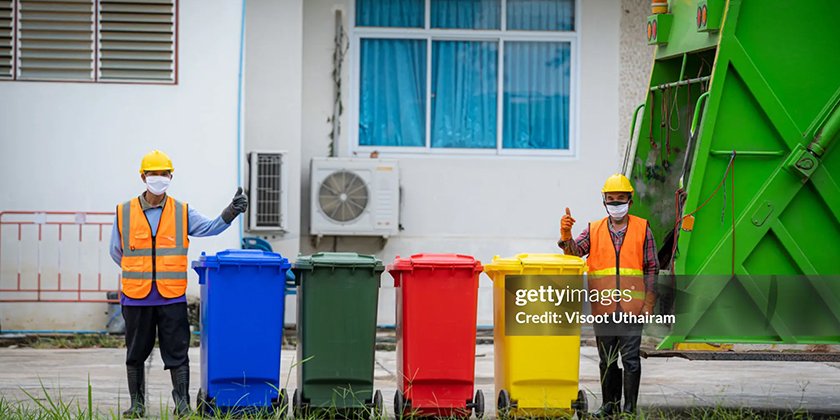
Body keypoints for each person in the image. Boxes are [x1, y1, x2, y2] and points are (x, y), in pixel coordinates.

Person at [109, 150, 248, 418]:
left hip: (171, 297)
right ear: (143, 176)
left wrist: (230, 212)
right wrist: (141, 271)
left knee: (177, 352)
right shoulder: (123, 211)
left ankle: (182, 404)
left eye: (163, 174)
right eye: (153, 173)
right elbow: (116, 251)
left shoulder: (182, 211)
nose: (158, 178)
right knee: (136, 353)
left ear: (170, 176)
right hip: (137, 297)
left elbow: (209, 227)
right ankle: (137, 405)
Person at [558, 174, 658, 416]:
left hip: (632, 308)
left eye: (620, 199)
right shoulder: (594, 229)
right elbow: (574, 254)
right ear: (604, 201)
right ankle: (609, 407)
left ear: (630, 201)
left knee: (631, 359)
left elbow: (652, 267)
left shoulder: (643, 228)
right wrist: (565, 235)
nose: (616, 204)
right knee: (607, 360)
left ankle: (629, 409)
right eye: (611, 199)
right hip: (603, 308)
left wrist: (649, 301)